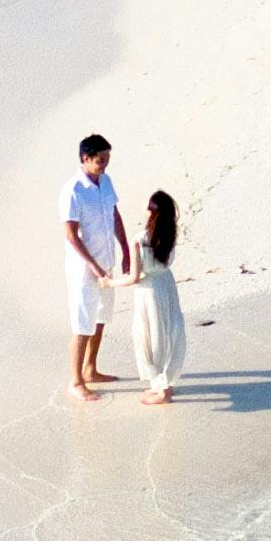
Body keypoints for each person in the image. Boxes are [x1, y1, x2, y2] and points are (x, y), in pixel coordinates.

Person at [64, 135, 132, 398]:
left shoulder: (106, 181)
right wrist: (93, 267)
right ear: (85, 158)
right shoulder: (73, 190)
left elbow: (114, 214)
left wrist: (125, 248)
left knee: (102, 317)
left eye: (107, 159)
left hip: (107, 262)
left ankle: (91, 369)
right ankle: (76, 382)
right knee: (83, 324)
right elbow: (71, 235)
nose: (105, 164)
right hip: (84, 270)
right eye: (100, 160)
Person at [129, 188, 188, 403]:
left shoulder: (139, 240)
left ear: (152, 213)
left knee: (151, 335)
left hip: (148, 290)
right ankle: (163, 384)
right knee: (167, 332)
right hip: (166, 285)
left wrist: (108, 283)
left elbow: (134, 277)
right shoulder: (170, 234)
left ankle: (163, 391)